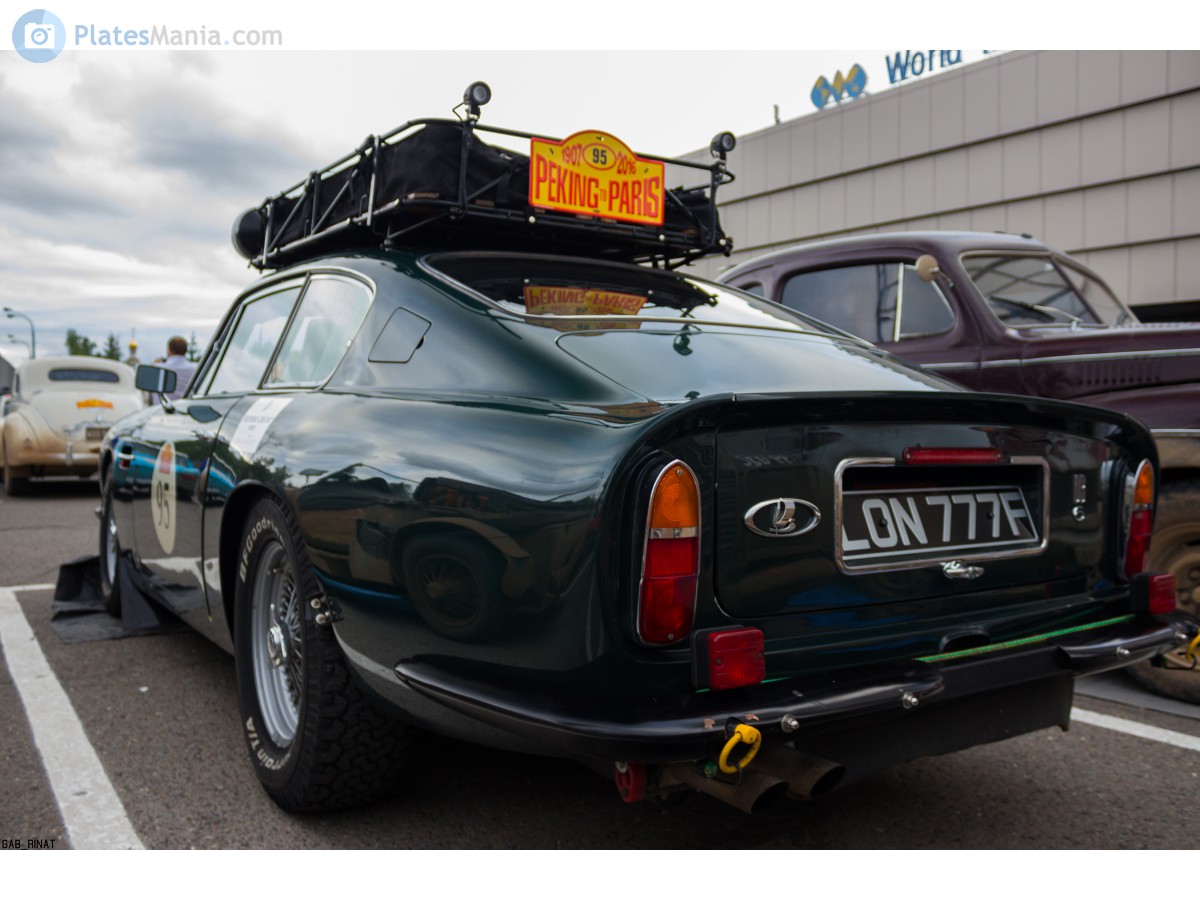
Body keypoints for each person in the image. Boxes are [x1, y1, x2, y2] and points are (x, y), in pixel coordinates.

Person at [162, 336, 197, 401]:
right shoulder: (195, 368)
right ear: (186, 350)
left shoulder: (160, 368)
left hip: (162, 408)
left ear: (169, 350)